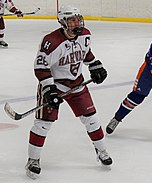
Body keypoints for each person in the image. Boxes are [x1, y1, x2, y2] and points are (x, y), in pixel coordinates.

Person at [25, 6, 112, 179]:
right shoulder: (51, 42)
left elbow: (86, 54)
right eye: (72, 20)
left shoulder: (85, 34)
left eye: (78, 19)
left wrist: (96, 66)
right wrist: (50, 90)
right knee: (43, 124)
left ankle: (101, 151)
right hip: (55, 85)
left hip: (78, 83)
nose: (76, 23)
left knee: (92, 120)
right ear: (63, 22)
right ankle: (33, 160)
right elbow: (41, 68)